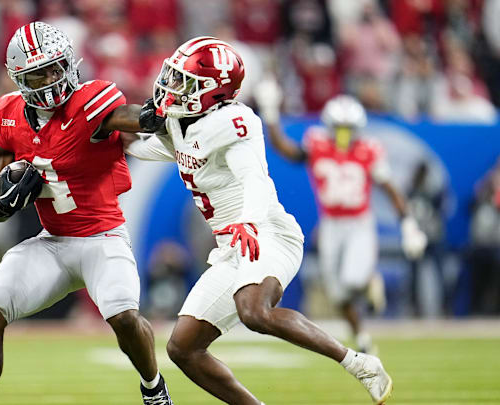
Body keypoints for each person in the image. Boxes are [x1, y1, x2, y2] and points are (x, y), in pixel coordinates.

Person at [124, 36, 393, 405]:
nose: (172, 87)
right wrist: (98, 132)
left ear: (214, 91)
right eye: (173, 76)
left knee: (254, 311)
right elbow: (142, 147)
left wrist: (247, 221)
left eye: (184, 81)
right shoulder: (180, 123)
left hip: (265, 232)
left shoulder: (233, 121)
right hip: (230, 244)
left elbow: (253, 177)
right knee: (183, 347)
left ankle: (358, 362)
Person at [0, 22, 173, 405]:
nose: (49, 80)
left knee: (123, 316)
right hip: (53, 243)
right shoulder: (7, 113)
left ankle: (154, 388)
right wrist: (0, 205)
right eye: (37, 74)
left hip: (103, 237)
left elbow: (130, 117)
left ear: (70, 63)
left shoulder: (92, 101)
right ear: (19, 79)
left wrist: (155, 115)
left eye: (54, 67)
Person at [257, 81, 428, 353]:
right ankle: (361, 337)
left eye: (348, 129)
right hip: (331, 225)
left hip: (358, 223)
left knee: (351, 281)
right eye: (339, 128)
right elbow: (285, 150)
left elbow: (390, 189)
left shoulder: (368, 150)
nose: (343, 134)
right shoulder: (318, 144)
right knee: (338, 293)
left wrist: (408, 225)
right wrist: (270, 113)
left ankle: (369, 280)